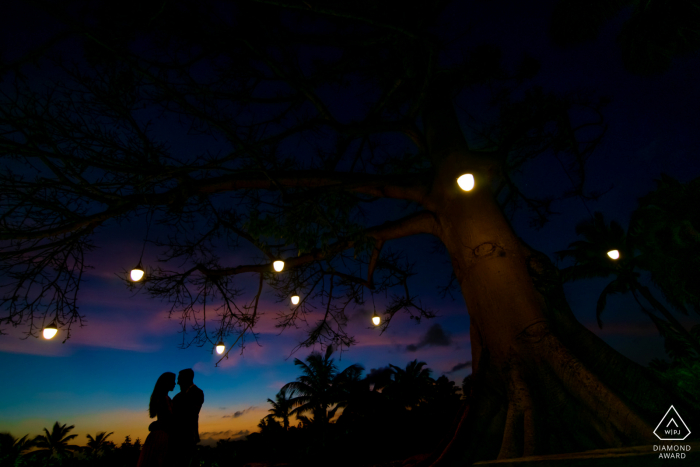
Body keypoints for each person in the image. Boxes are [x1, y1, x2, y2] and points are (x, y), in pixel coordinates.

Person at [137, 372, 176, 467]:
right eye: (173, 381)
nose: (175, 384)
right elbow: (169, 419)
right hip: (162, 436)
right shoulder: (165, 399)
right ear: (166, 383)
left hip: (156, 436)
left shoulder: (160, 398)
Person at [172, 368, 204, 467]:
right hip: (176, 436)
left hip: (188, 435)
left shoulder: (197, 392)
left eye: (179, 379)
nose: (177, 382)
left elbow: (192, 413)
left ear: (187, 379)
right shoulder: (177, 397)